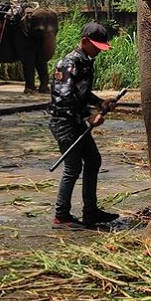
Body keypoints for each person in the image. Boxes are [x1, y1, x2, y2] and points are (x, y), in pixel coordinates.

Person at [48, 22, 120, 229]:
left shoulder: (86, 61)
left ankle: (90, 211)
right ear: (84, 41)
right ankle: (61, 216)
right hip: (64, 121)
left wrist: (101, 103)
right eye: (96, 46)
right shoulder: (69, 63)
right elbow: (63, 97)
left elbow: (82, 93)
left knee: (93, 160)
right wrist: (88, 117)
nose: (98, 50)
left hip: (76, 120)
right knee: (73, 166)